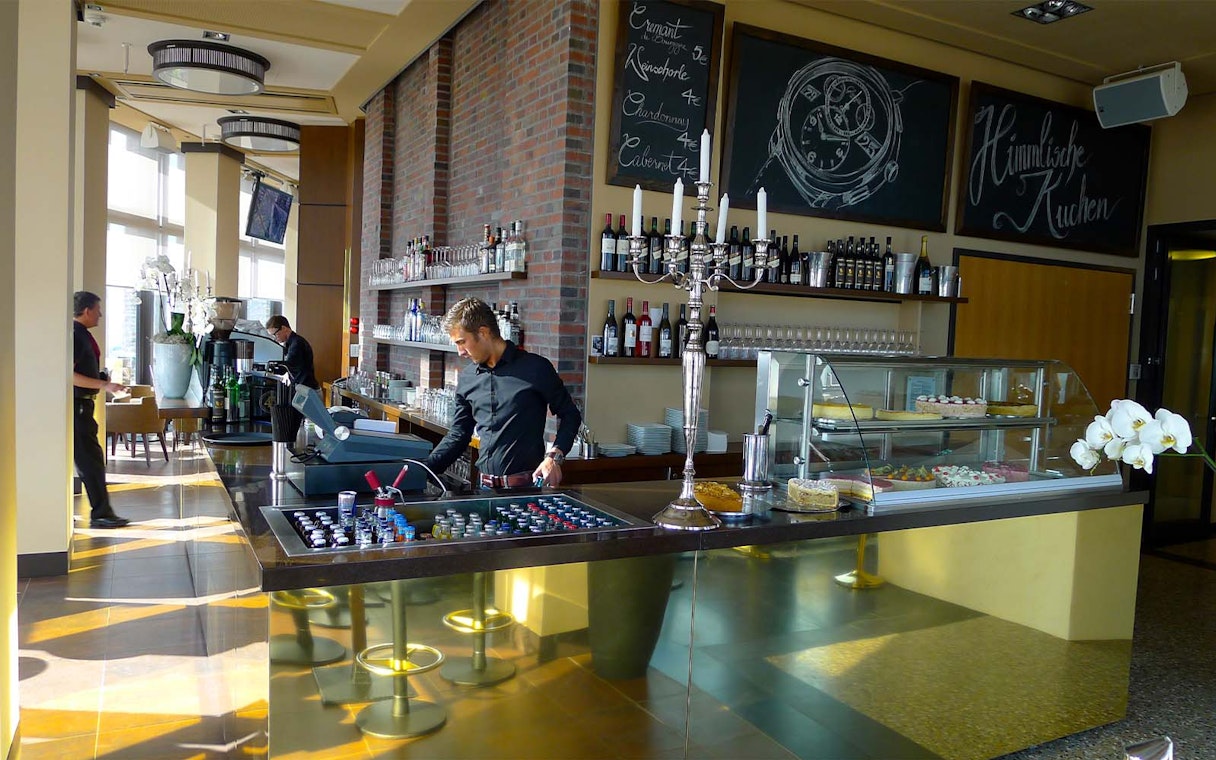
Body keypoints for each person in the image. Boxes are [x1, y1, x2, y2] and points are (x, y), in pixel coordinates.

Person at [426, 297, 581, 489]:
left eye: (462, 342)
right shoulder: (467, 378)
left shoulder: (536, 368)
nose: (460, 352)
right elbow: (458, 435)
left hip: (525, 491)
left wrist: (554, 457)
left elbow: (570, 415)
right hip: (482, 490)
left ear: (483, 333)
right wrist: (424, 469)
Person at [72, 291, 130, 529]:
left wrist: (103, 378)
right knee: (90, 461)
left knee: (93, 459)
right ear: (87, 311)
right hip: (78, 407)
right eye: (97, 309)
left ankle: (103, 511)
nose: (101, 314)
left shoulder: (82, 335)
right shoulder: (75, 335)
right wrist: (104, 384)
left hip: (85, 405)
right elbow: (69, 374)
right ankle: (101, 514)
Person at [265, 315, 319, 389]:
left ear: (284, 328)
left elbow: (288, 365)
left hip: (308, 389)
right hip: (303, 387)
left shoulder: (297, 343)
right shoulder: (290, 344)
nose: (275, 339)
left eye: (275, 334)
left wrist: (268, 367)